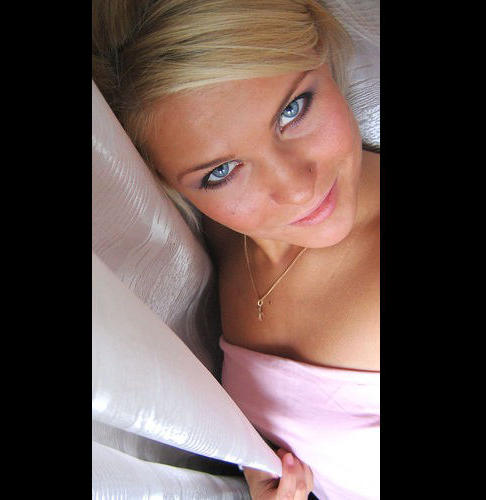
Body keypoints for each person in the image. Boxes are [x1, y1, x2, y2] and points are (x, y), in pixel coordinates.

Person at [92, 1, 379, 498]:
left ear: (321, 49)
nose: (296, 189)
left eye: (293, 110)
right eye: (221, 172)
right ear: (160, 180)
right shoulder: (221, 236)